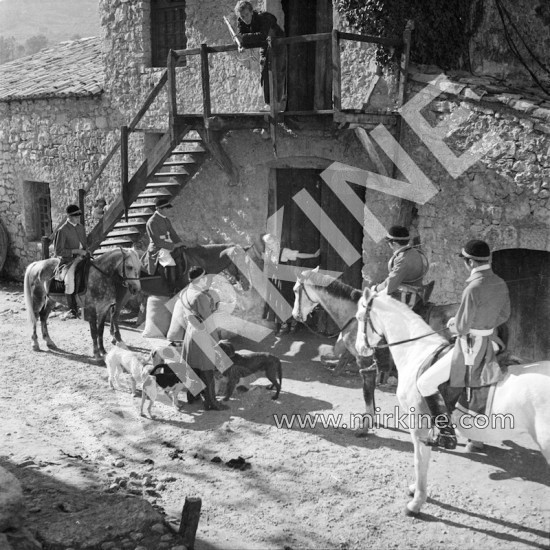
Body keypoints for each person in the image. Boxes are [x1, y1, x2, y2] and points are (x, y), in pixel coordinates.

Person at [416, 239, 511, 450]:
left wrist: (453, 325)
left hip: (472, 346)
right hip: (492, 342)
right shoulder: (500, 282)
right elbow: (505, 314)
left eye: (465, 261)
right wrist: (484, 325)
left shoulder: (473, 287)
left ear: (469, 262)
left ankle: (447, 434)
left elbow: (461, 327)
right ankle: (473, 435)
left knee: (425, 383)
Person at [179, 266, 229, 411]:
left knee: (193, 366)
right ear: (200, 279)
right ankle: (211, 403)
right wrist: (217, 340)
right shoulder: (200, 296)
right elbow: (208, 320)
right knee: (207, 369)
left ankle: (192, 397)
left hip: (190, 332)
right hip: (203, 333)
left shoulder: (186, 291)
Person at [262, 233, 320, 334]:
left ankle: (290, 325)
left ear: (276, 241)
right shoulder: (269, 253)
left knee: (287, 301)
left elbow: (298, 255)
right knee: (276, 302)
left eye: (272, 243)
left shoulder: (284, 252)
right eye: (268, 244)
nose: (271, 246)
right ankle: (279, 326)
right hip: (275, 280)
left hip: (285, 281)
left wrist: (313, 255)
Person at [234, 0, 286, 109]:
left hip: (278, 42)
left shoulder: (263, 17)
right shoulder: (241, 21)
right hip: (265, 45)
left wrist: (242, 39)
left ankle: (277, 103)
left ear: (252, 12)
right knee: (264, 72)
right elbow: (241, 38)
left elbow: (262, 35)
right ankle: (268, 104)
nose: (245, 19)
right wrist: (241, 45)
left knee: (277, 71)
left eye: (247, 15)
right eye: (243, 16)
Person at [371, 226, 429, 310]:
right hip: (417, 293)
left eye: (389, 243)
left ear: (394, 244)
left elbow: (391, 285)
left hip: (406, 298)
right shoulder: (415, 252)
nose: (389, 245)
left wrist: (376, 288)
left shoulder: (402, 259)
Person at [144, 197, 187, 293]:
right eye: (166, 208)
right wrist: (173, 246)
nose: (168, 210)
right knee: (169, 262)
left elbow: (173, 234)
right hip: (158, 248)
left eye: (168, 208)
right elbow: (157, 241)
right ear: (159, 209)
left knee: (183, 254)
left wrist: (180, 243)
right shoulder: (152, 222)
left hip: (168, 244)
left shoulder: (166, 219)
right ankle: (172, 289)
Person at [53, 204, 88, 320]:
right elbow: (59, 251)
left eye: (79, 215)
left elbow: (84, 244)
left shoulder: (81, 227)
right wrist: (76, 251)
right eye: (76, 216)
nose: (78, 218)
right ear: (69, 216)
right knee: (70, 282)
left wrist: (87, 251)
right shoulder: (62, 230)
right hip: (69, 261)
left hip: (83, 257)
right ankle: (72, 309)